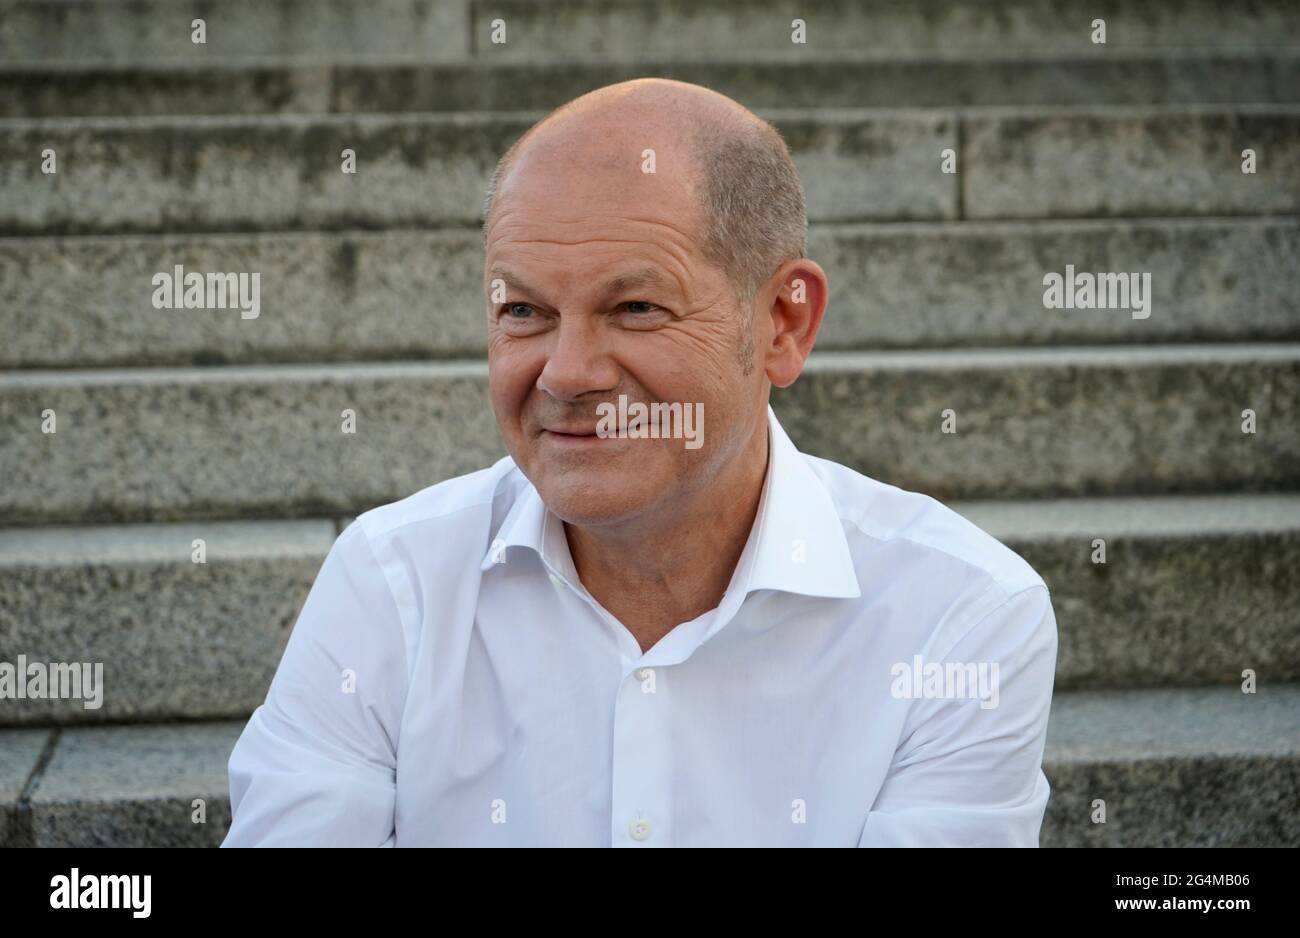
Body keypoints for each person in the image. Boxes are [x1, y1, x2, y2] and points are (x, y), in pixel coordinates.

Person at [222, 78, 1057, 847]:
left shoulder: (964, 616)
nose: (568, 372)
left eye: (636, 307)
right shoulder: (391, 583)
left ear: (782, 324)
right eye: (524, 310)